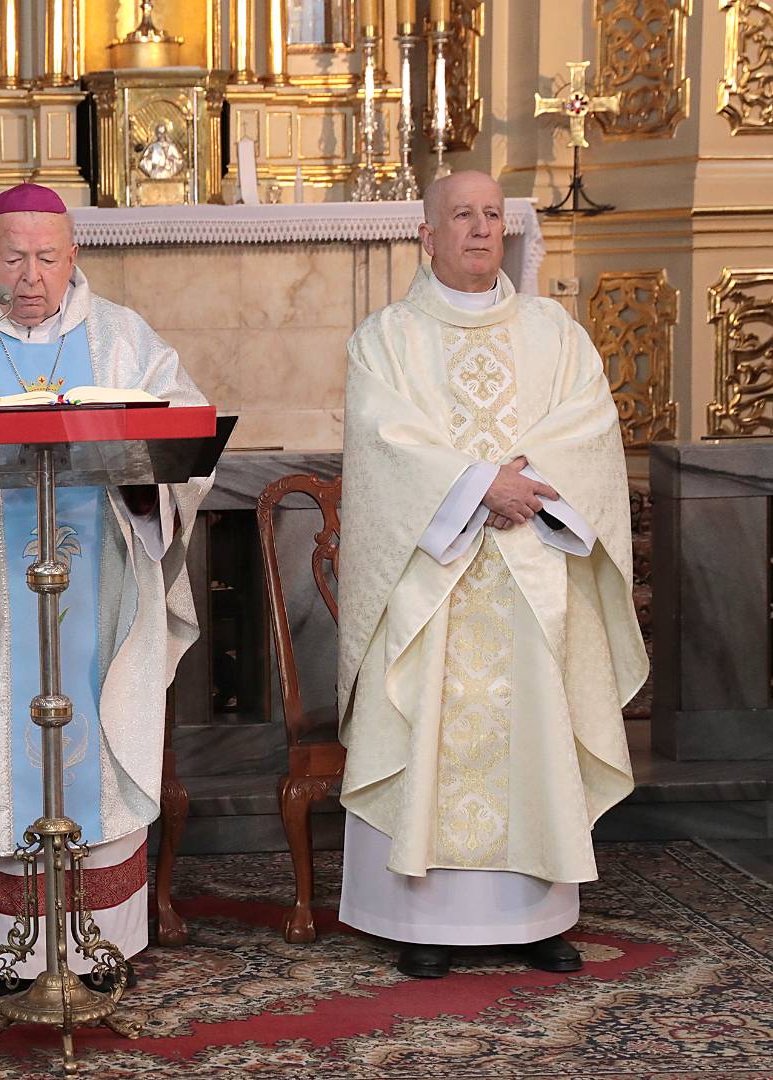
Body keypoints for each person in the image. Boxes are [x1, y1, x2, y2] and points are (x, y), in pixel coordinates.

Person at [0, 182, 211, 997]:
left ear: (73, 255)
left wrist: (142, 480)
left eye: (47, 258)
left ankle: (93, 942)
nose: (30, 277)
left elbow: (184, 435)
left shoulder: (124, 339)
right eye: (14, 258)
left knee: (92, 745)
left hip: (99, 594)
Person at [337, 170, 648, 978]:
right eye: (460, 216)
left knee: (535, 729)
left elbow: (587, 427)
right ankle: (424, 919)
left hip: (532, 565)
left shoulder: (554, 332)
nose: (479, 229)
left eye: (490, 215)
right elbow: (383, 441)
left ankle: (532, 918)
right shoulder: (386, 338)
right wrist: (479, 485)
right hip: (431, 580)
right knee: (429, 726)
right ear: (426, 236)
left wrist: (521, 485)